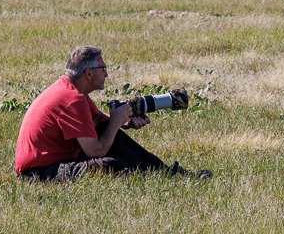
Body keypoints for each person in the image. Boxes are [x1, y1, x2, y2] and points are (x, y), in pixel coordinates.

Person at [15, 45, 209, 180]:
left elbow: (99, 120)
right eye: (103, 69)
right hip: (39, 172)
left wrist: (123, 121)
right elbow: (95, 151)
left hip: (52, 162)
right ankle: (159, 176)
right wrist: (115, 123)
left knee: (113, 136)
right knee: (108, 165)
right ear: (89, 73)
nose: (106, 74)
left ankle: (168, 172)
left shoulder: (69, 90)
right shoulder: (73, 100)